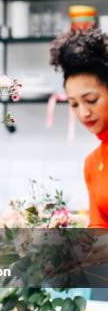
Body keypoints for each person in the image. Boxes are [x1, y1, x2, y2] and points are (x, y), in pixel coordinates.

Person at [50, 28, 108, 229]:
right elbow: (98, 228)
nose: (83, 113)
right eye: (74, 104)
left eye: (91, 100)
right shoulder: (93, 163)